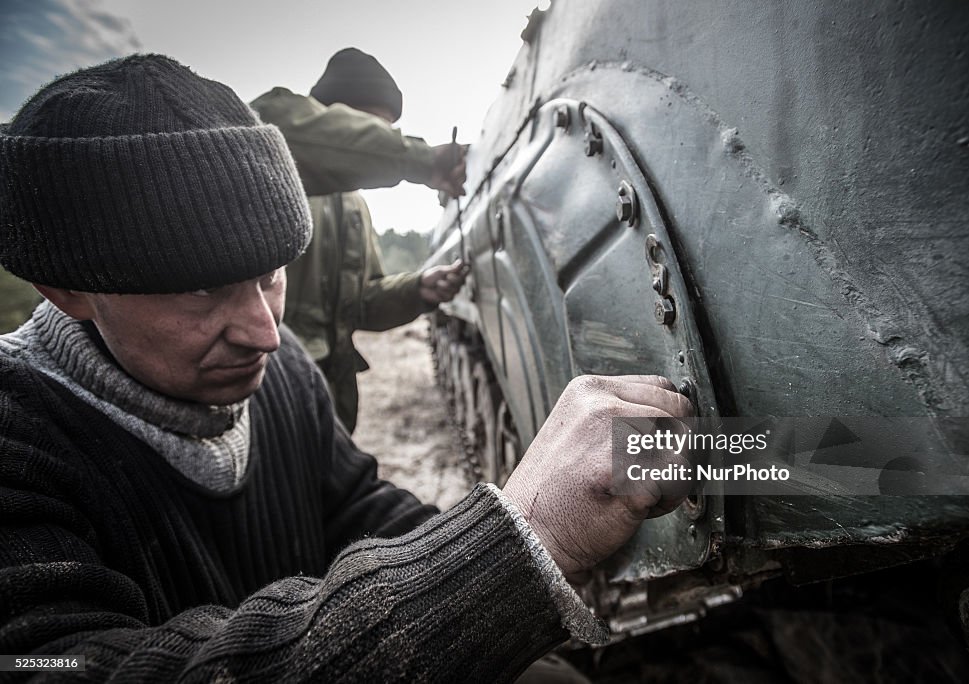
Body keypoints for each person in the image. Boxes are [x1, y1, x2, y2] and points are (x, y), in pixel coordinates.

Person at [0, 55, 692, 681]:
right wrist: (514, 547)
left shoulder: (287, 371)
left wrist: (527, 536)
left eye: (273, 277)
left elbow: (356, 507)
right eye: (204, 290)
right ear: (67, 289)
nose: (266, 334)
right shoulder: (18, 439)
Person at [251, 48, 467, 432]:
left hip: (329, 402)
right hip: (264, 390)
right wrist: (420, 159)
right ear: (331, 116)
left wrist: (419, 289)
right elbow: (287, 124)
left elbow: (362, 303)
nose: (383, 140)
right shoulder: (269, 143)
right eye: (374, 128)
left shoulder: (355, 209)